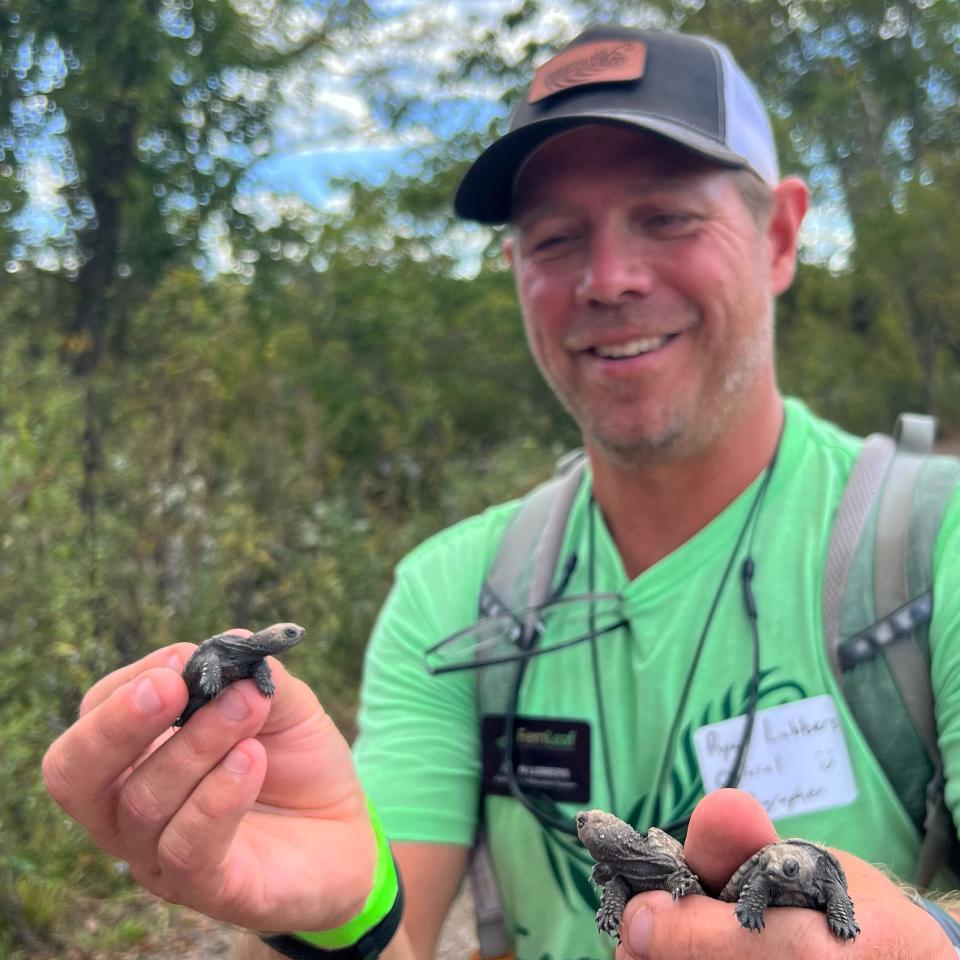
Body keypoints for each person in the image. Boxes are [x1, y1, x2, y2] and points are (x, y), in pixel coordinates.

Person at [42, 23, 960, 960]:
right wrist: (331, 914)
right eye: (556, 238)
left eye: (668, 217)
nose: (608, 280)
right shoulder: (454, 598)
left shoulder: (934, 543)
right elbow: (385, 920)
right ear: (517, 270)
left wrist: (929, 942)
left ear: (778, 236)